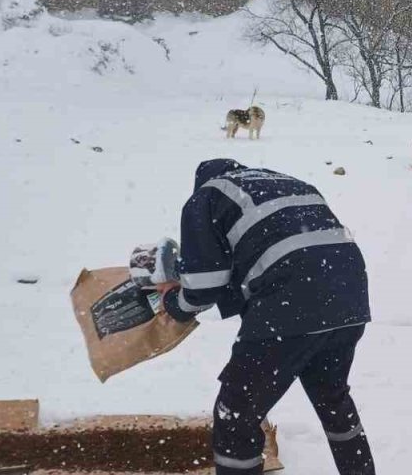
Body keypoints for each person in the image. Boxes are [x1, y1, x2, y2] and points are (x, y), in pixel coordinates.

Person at [135, 158, 374, 475]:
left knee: (236, 414)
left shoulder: (205, 197)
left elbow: (206, 286)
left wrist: (173, 301)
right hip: (350, 297)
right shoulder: (286, 183)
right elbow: (269, 258)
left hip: (292, 304)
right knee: (333, 399)